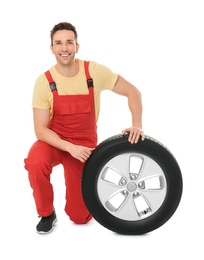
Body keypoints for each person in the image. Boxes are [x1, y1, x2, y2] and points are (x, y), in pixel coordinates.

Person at [24, 22, 145, 234]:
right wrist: (68, 147)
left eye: (69, 42)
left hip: (83, 147)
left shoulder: (93, 72)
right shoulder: (44, 81)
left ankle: (81, 205)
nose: (64, 48)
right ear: (51, 48)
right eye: (58, 43)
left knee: (80, 217)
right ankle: (46, 213)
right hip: (54, 140)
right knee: (35, 161)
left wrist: (137, 125)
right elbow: (40, 130)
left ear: (77, 46)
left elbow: (133, 92)